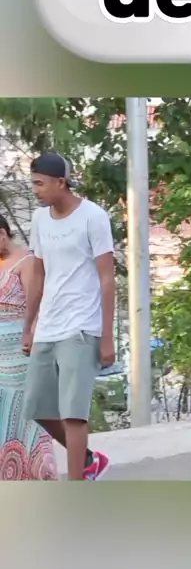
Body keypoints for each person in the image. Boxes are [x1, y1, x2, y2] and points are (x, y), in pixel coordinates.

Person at [21, 151, 116, 480]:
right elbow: (38, 273)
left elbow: (107, 278)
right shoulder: (39, 219)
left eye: (39, 183)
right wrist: (29, 326)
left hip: (82, 327)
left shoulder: (93, 217)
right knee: (37, 406)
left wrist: (107, 336)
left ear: (60, 182)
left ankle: (76, 486)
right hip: (49, 325)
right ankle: (89, 460)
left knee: (73, 414)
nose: (35, 190)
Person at [0, 215, 58, 479]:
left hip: (19, 353)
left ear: (3, 235)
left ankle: (37, 474)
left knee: (24, 414)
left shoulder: (28, 261)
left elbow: (39, 307)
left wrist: (32, 336)